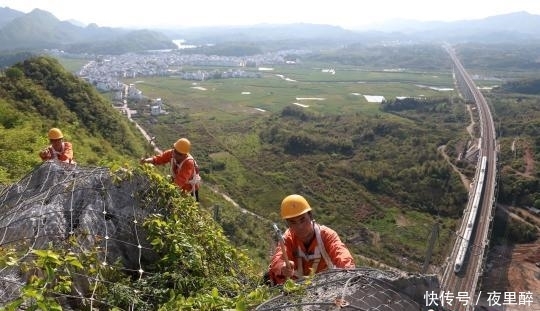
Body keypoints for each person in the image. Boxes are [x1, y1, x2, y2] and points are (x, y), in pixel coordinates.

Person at [267, 194, 355, 285]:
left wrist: (348, 269)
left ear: (310, 216)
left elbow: (340, 252)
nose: (300, 227)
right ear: (288, 224)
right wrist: (282, 267)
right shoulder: (288, 239)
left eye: (302, 220)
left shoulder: (326, 235)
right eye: (293, 222)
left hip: (325, 286)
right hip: (296, 289)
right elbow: (278, 258)